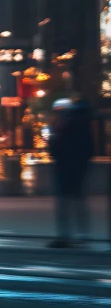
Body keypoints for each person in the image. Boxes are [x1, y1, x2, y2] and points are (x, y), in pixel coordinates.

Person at [47, 97, 94, 248]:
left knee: (65, 202)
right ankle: (82, 234)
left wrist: (53, 146)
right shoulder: (82, 124)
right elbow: (88, 148)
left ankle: (65, 235)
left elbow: (56, 146)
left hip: (65, 167)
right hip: (76, 167)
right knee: (77, 200)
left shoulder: (64, 125)